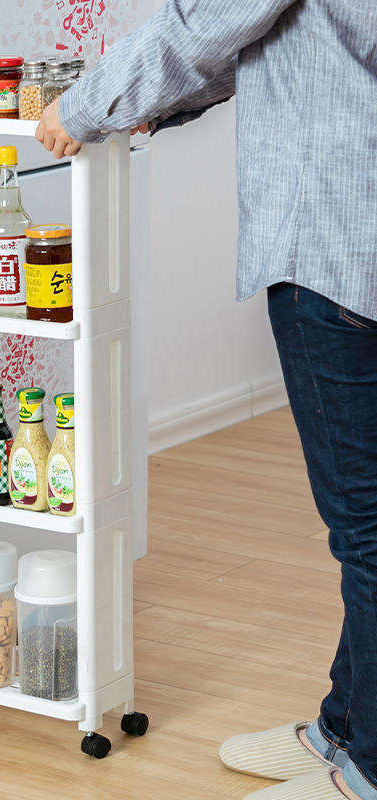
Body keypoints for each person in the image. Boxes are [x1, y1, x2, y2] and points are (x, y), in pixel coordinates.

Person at [36, 2, 377, 800]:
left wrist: (82, 107)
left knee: (368, 531)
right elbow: (282, 34)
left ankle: (368, 772)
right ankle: (345, 728)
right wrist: (156, 100)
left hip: (330, 232)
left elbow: (203, 24)